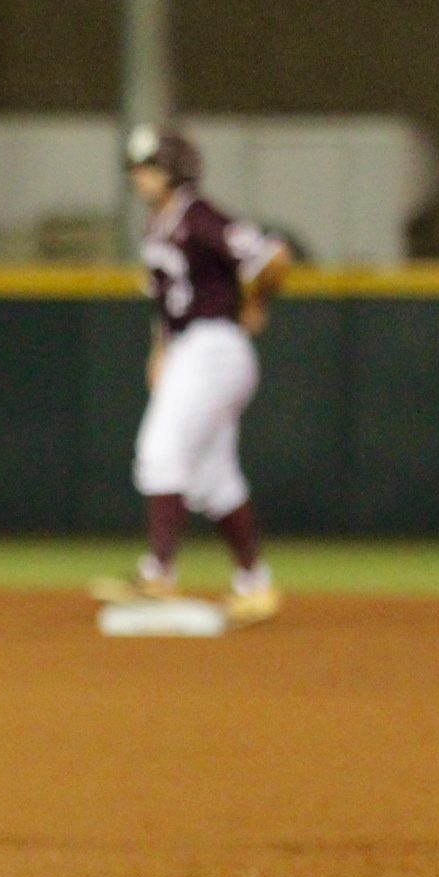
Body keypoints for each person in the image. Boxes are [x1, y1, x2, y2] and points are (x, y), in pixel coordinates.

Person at [91, 126, 290, 627]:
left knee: (160, 451)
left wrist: (257, 301)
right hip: (190, 349)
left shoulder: (197, 215)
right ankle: (255, 583)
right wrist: (160, 349)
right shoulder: (159, 225)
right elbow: (165, 299)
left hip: (214, 347)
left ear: (173, 170)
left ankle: (159, 571)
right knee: (212, 478)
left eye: (148, 168)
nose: (140, 178)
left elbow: (273, 255)